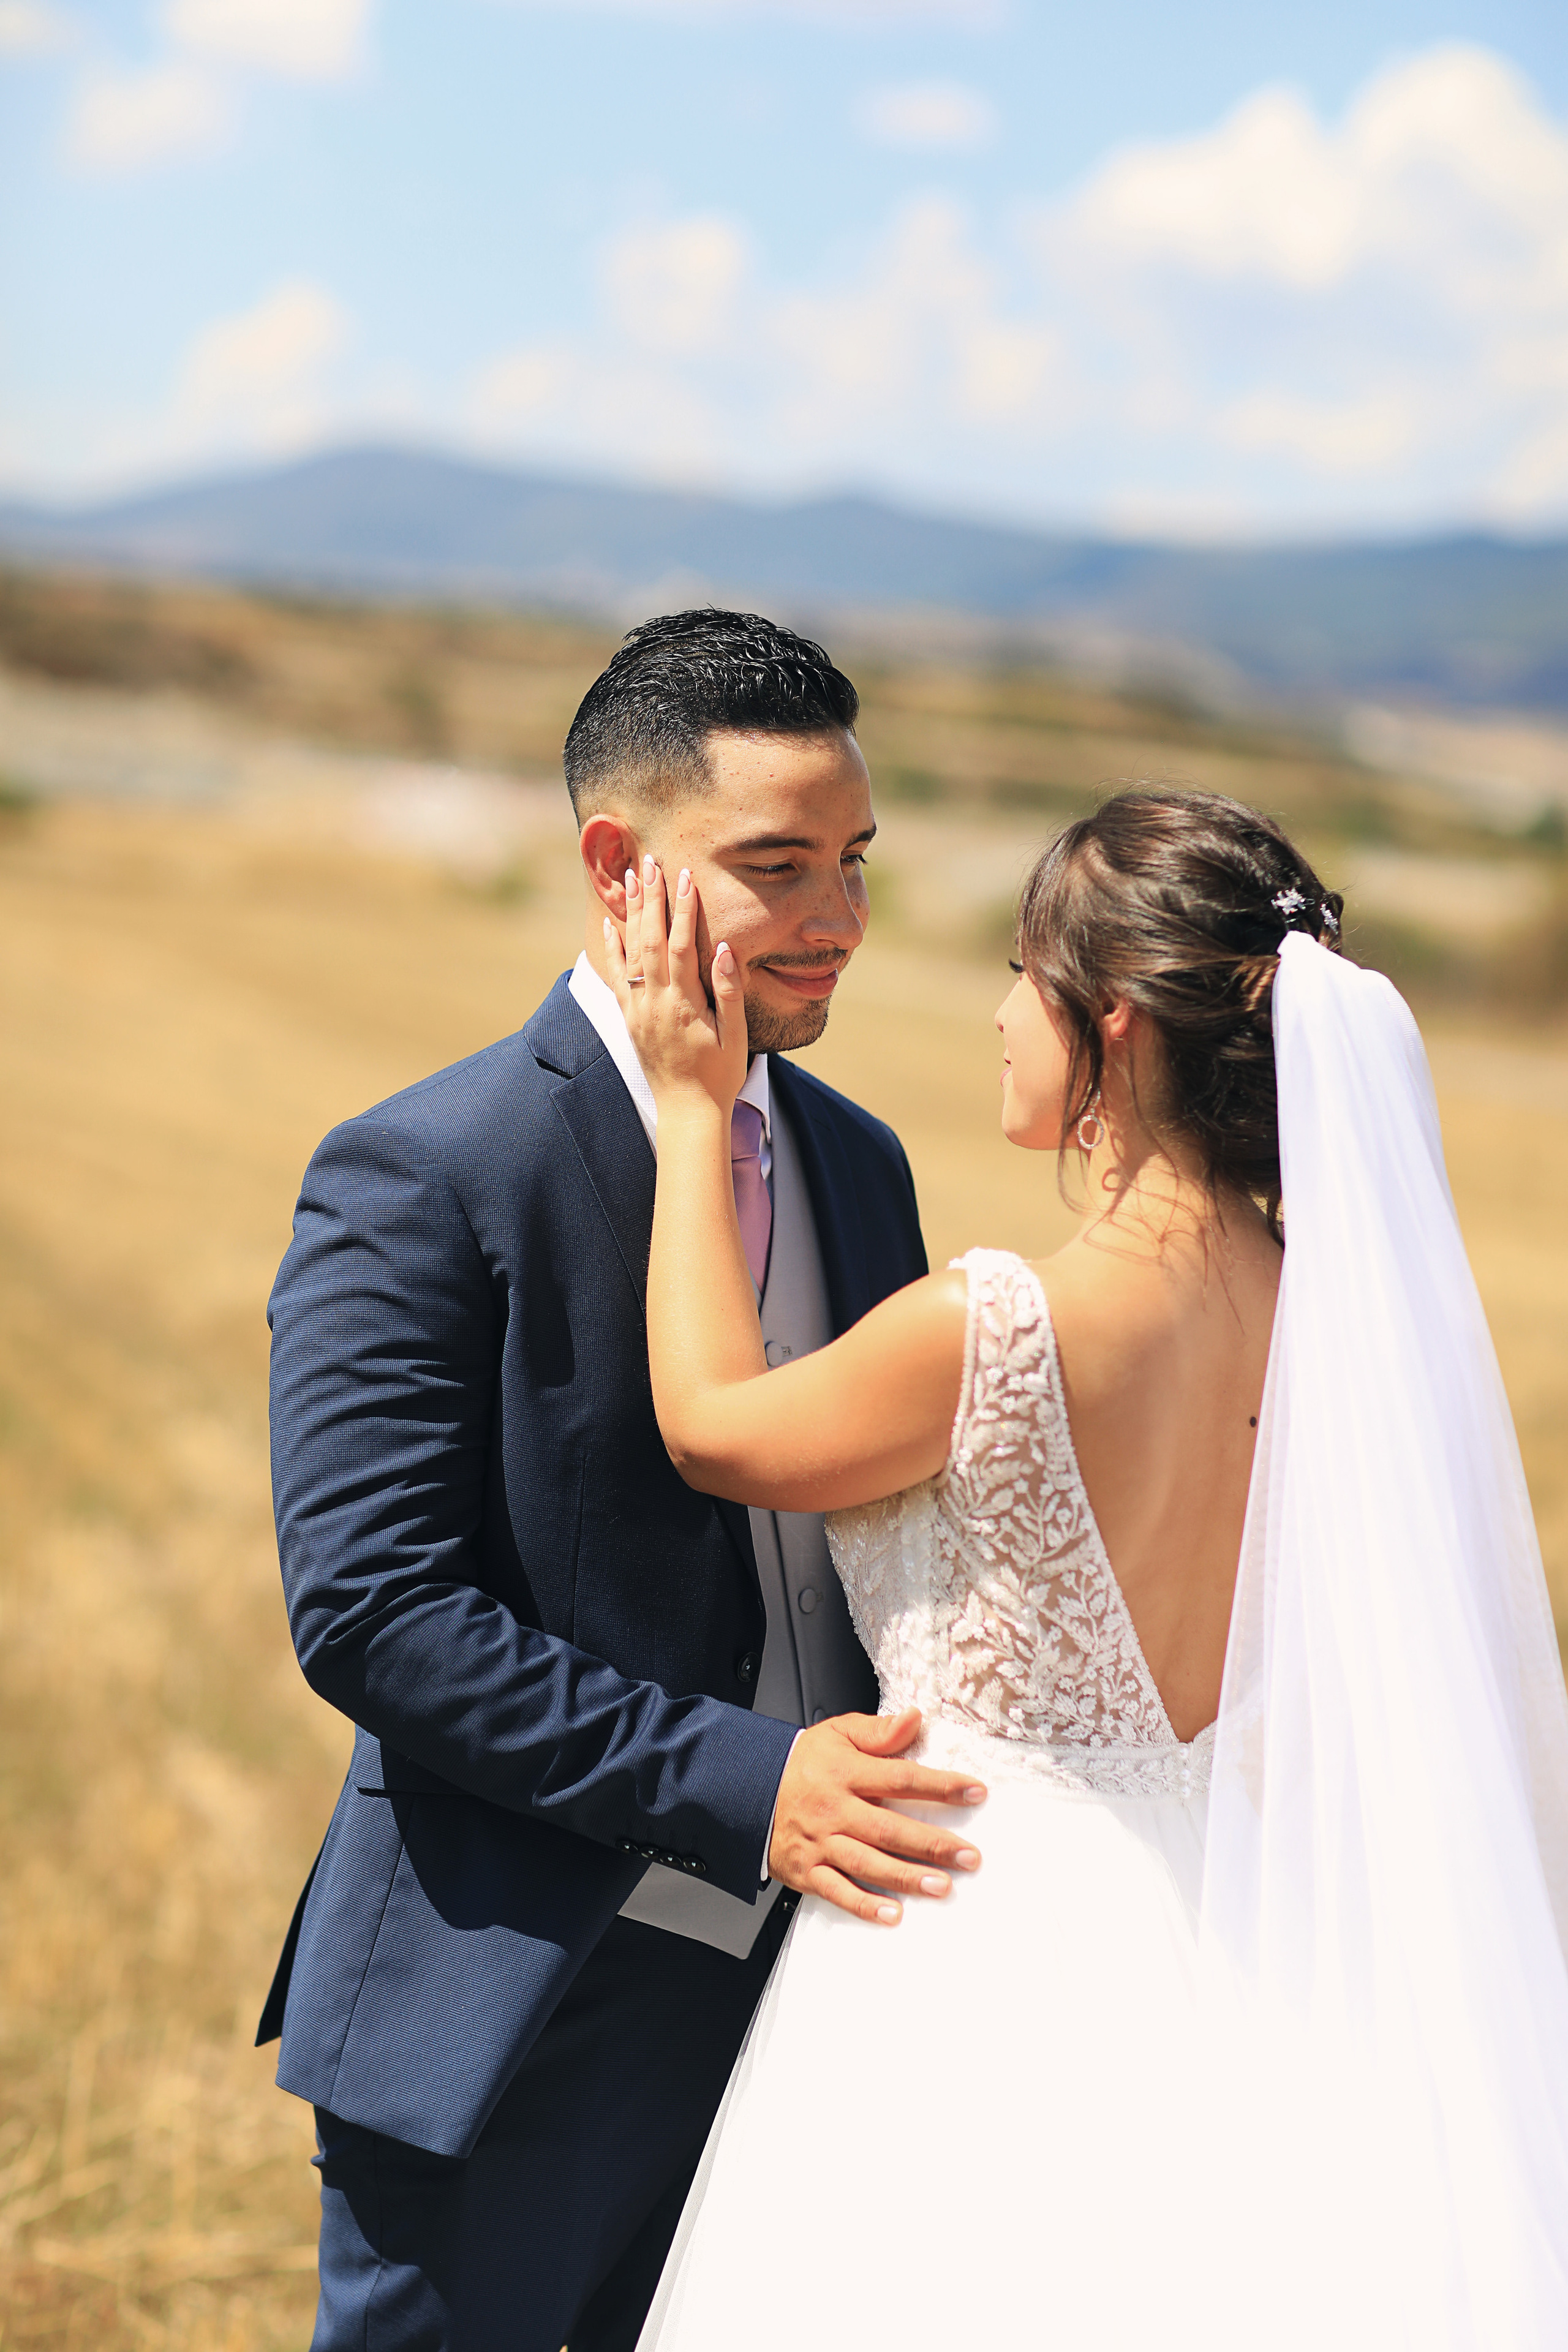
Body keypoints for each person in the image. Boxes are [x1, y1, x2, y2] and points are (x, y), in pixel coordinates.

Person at [612, 786, 1568, 2352]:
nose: (996, 1017)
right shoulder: (1344, 1325)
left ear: (1110, 1026)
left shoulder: (998, 1323)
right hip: (1249, 1958)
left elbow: (715, 1426)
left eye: (1016, 974)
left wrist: (684, 1106)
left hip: (974, 1959)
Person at [255, 610, 987, 2352]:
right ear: (618, 864)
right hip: (528, 2002)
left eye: (858, 864)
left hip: (820, 2003)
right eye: (779, 867)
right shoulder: (426, 1172)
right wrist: (746, 1784)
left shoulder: (861, 1165)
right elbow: (375, 1617)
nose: (841, 924)